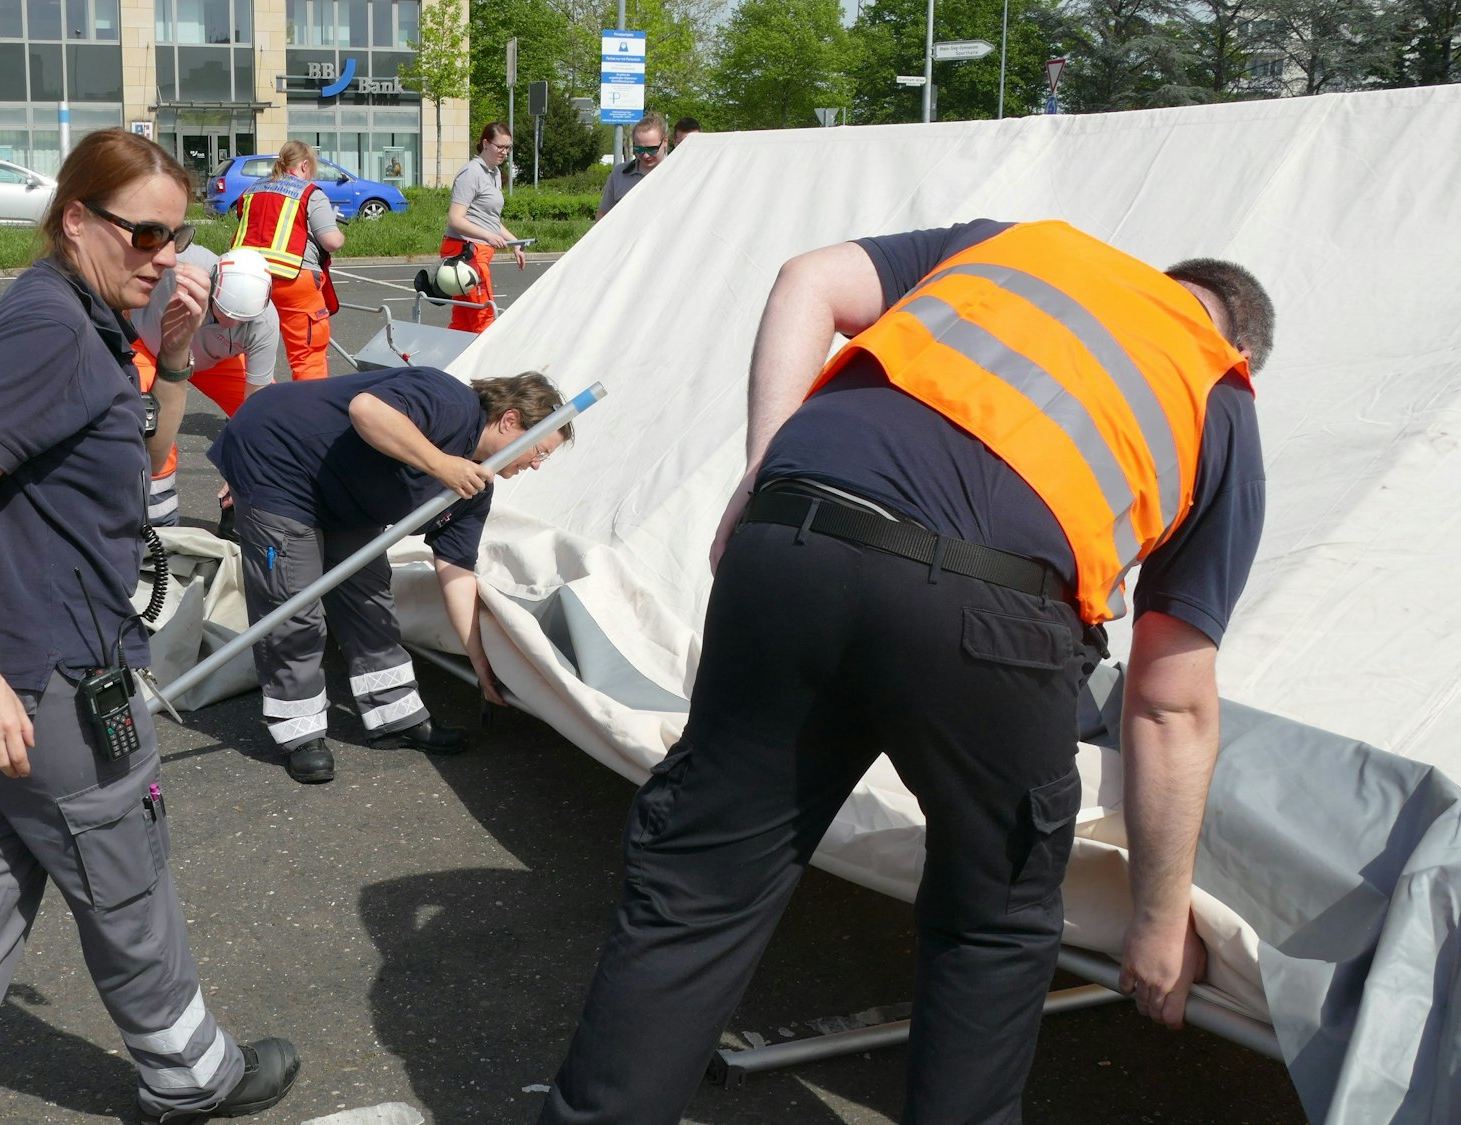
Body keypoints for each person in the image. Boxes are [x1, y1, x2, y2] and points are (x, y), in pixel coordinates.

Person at [539, 218, 1276, 1124]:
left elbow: (807, 276)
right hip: (993, 613)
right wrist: (1159, 919)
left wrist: (763, 470)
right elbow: (1169, 702)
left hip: (793, 538)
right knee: (991, 923)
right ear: (1239, 345)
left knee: (701, 889)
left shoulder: (1023, 247)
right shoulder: (1220, 395)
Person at [0, 130, 299, 1125]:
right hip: (39, 680)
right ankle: (193, 1079)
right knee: (126, 885)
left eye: (177, 236)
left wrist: (177, 356)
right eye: (142, 233)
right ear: (76, 220)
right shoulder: (51, 328)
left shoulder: (83, 318)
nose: (164, 256)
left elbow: (126, 454)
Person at [207, 368, 569, 784]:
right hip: (278, 458)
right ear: (510, 421)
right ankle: (300, 734)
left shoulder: (475, 490)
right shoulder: (448, 401)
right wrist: (440, 464)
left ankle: (395, 717)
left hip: (346, 493)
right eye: (539, 451)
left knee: (369, 599)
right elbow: (367, 409)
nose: (537, 466)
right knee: (294, 604)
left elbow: (456, 573)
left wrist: (480, 660)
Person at [130, 245, 281, 534]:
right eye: (223, 314)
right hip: (149, 347)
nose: (230, 324)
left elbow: (256, 408)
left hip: (213, 362)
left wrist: (243, 468)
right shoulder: (181, 265)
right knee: (150, 424)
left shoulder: (264, 322)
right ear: (212, 283)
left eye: (240, 321)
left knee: (274, 421)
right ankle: (158, 521)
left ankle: (248, 510)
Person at [230, 141, 344, 382]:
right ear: (304, 165)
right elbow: (331, 241)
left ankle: (257, 410)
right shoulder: (309, 192)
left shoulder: (252, 190)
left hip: (247, 280)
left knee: (249, 352)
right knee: (306, 356)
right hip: (293, 280)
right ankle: (307, 416)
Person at [440, 123, 527, 334]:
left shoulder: (494, 173)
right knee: (483, 317)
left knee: (464, 319)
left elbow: (489, 218)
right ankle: (485, 365)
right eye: (501, 147)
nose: (505, 153)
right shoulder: (472, 172)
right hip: (467, 253)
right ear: (486, 144)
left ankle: (453, 364)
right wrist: (489, 236)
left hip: (474, 252)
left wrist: (515, 242)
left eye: (508, 148)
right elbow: (455, 219)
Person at [596, 112, 668, 219]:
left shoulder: (678, 173)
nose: (646, 155)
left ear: (665, 141)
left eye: (652, 149)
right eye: (639, 149)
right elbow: (603, 214)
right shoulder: (619, 173)